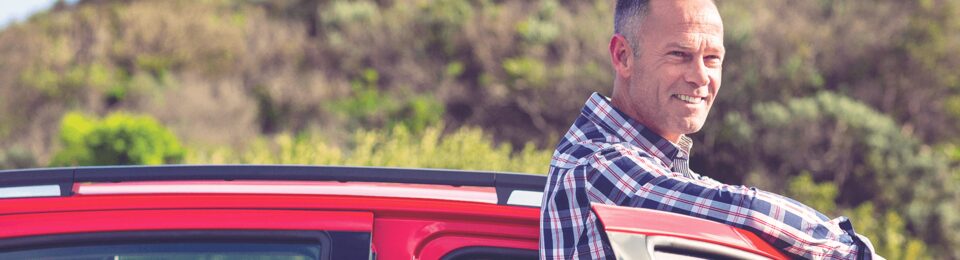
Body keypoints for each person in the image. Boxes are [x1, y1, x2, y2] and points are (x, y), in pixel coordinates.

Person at [539, 0, 882, 259]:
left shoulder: (657, 167)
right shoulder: (596, 165)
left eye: (712, 58)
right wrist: (852, 251)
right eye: (679, 54)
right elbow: (744, 209)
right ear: (624, 56)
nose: (701, 77)